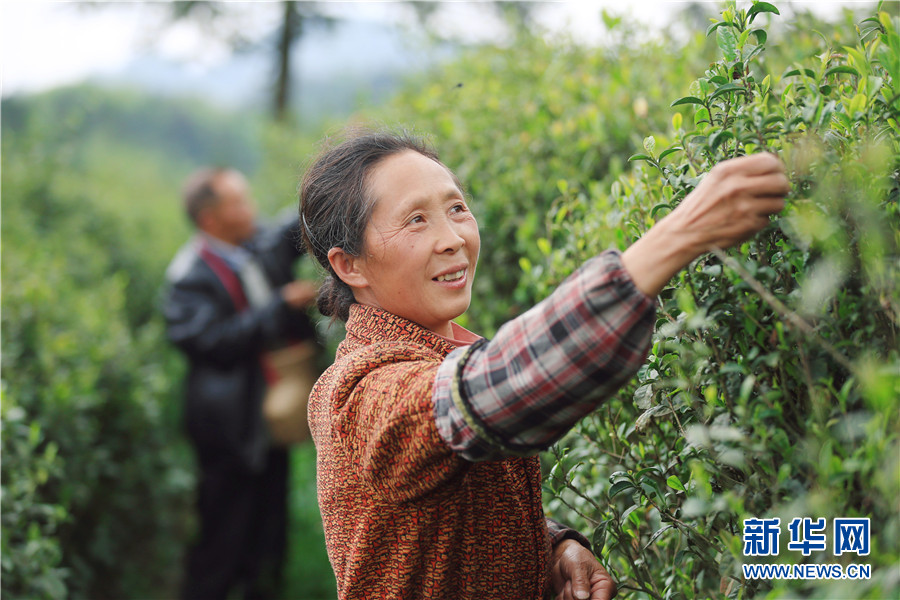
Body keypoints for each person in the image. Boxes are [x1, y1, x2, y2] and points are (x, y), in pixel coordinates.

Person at [298, 130, 790, 600]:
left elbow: (442, 516)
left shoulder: (444, 351)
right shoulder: (356, 391)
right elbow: (481, 399)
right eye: (415, 221)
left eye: (457, 209)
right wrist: (678, 236)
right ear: (350, 265)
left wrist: (552, 544)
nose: (453, 238)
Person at [164, 167, 319, 600]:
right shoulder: (188, 277)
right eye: (238, 203)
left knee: (270, 524)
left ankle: (263, 584)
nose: (250, 209)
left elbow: (290, 228)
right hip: (228, 425)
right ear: (210, 219)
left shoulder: (251, 245)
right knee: (224, 530)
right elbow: (211, 343)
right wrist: (278, 307)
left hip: (267, 412)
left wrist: (329, 178)